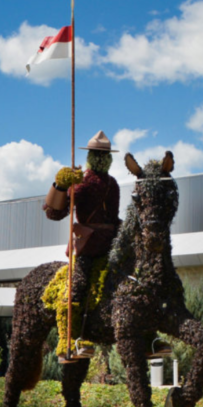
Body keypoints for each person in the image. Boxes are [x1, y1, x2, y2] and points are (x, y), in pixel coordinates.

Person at [44, 130, 121, 356]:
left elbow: (113, 217)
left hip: (112, 244)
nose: (101, 158)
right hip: (89, 246)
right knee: (75, 288)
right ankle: (67, 342)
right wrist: (60, 185)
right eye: (98, 154)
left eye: (103, 154)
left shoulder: (113, 184)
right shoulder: (81, 182)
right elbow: (54, 213)